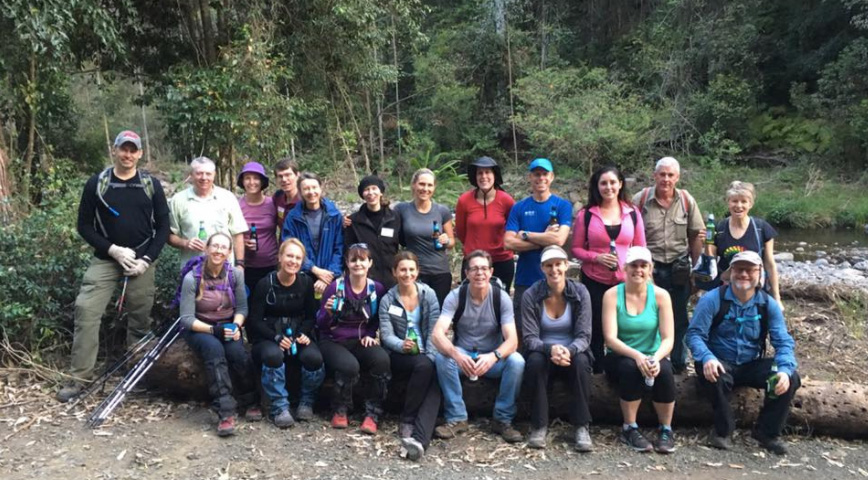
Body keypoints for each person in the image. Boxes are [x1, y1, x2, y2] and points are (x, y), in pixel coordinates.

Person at [57, 130, 170, 402]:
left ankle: (139, 374)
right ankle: (78, 378)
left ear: (140, 154)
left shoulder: (150, 184)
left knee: (140, 319)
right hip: (106, 258)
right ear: (115, 150)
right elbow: (83, 225)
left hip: (141, 260)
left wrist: (146, 260)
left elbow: (163, 227)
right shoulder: (97, 183)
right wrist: (113, 250)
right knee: (86, 311)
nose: (128, 155)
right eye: (123, 149)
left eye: (133, 150)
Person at [686, 251, 799, 455]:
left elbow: (783, 342)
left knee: (791, 376)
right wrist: (707, 357)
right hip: (719, 361)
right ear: (730, 273)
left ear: (759, 274)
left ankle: (767, 432)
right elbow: (694, 335)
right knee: (712, 375)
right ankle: (723, 431)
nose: (744, 274)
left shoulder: (768, 304)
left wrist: (784, 370)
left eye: (750, 270)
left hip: (750, 364)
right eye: (739, 269)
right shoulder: (712, 300)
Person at [431, 250, 525, 443]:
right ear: (466, 273)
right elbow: (437, 334)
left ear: (491, 272)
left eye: (483, 268)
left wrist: (494, 356)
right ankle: (456, 417)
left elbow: (513, 340)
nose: (479, 273)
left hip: (492, 356)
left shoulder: (501, 298)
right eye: (474, 269)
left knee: (517, 361)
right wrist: (456, 354)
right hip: (464, 355)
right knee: (442, 357)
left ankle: (502, 419)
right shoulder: (456, 296)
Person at [178, 233, 258, 436]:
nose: (218, 251)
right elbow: (186, 318)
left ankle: (251, 401)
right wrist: (213, 330)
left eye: (223, 247)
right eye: (215, 246)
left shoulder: (235, 275)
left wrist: (236, 326)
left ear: (229, 252)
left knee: (238, 355)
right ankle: (225, 411)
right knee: (214, 351)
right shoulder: (192, 277)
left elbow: (242, 308)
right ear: (206, 248)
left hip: (227, 325)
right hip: (199, 328)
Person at [632, 157, 704, 373]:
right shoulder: (640, 199)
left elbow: (696, 235)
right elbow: (631, 234)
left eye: (670, 175)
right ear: (654, 176)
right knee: (648, 316)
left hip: (679, 267)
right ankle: (651, 361)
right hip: (648, 268)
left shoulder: (686, 200)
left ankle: (679, 364)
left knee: (680, 317)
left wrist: (696, 270)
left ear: (677, 177)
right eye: (662, 174)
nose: (666, 179)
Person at [602, 246, 676, 454]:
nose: (638, 270)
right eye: (633, 265)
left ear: (650, 269)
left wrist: (655, 358)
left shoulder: (661, 296)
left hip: (652, 352)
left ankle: (666, 428)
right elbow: (610, 338)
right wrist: (637, 356)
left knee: (666, 370)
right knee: (630, 368)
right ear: (625, 268)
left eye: (643, 266)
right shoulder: (612, 295)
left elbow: (669, 338)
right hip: (620, 354)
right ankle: (630, 426)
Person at [571, 165, 646, 373]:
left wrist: (643, 276)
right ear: (597, 186)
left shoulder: (633, 213)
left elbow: (641, 248)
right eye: (603, 183)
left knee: (623, 324)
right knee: (594, 326)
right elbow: (576, 249)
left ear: (620, 184)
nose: (608, 187)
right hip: (594, 279)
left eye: (613, 182)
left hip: (625, 281)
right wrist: (596, 257)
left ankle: (623, 369)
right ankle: (595, 372)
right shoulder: (586, 214)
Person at [246, 239, 325, 428]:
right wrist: (276, 337)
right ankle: (279, 406)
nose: (293, 261)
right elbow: (254, 320)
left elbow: (311, 316)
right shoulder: (266, 284)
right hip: (268, 335)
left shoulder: (306, 282)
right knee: (274, 356)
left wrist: (303, 333)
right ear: (280, 258)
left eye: (298, 258)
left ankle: (306, 401)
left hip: (296, 333)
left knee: (314, 358)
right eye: (289, 256)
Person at [521, 246, 594, 451]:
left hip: (573, 351)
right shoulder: (531, 294)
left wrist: (568, 350)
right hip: (543, 351)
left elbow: (584, 335)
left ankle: (581, 426)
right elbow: (529, 337)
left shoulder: (580, 292)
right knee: (534, 362)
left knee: (581, 362)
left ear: (566, 265)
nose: (554, 270)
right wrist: (550, 349)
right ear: (542, 268)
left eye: (558, 264)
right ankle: (539, 425)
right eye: (549, 265)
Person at [316, 243, 389, 434]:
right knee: (349, 367)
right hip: (333, 340)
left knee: (381, 360)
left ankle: (372, 413)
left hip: (360, 339)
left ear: (370, 263)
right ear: (347, 263)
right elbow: (321, 324)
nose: (358, 264)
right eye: (353, 260)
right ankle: (340, 409)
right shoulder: (335, 288)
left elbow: (376, 319)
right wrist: (328, 313)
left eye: (362, 259)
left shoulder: (376, 289)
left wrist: (370, 335)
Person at [379, 251, 442, 461]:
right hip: (398, 355)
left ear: (417, 271)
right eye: (403, 270)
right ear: (394, 272)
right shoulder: (387, 299)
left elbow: (435, 331)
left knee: (435, 380)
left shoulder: (428, 295)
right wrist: (401, 345)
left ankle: (419, 440)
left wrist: (432, 358)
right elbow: (386, 336)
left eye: (411, 269)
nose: (407, 274)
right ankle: (407, 418)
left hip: (425, 354)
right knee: (425, 367)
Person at [504, 158, 572, 341]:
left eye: (544, 174)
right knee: (523, 332)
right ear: (530, 177)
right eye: (536, 174)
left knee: (555, 332)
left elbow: (559, 239)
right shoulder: (519, 208)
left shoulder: (562, 205)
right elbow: (508, 243)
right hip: (525, 280)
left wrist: (525, 234)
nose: (540, 178)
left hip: (555, 279)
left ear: (551, 177)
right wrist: (544, 239)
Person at [704, 181, 783, 309]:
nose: (739, 206)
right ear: (728, 202)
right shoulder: (719, 228)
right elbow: (710, 261)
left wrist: (776, 298)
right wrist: (706, 242)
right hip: (726, 288)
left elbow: (769, 264)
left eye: (744, 201)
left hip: (754, 288)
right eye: (734, 201)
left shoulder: (761, 228)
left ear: (750, 204)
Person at [168, 156, 248, 269]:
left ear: (214, 175)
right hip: (192, 269)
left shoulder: (227, 198)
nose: (204, 177)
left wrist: (240, 265)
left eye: (208, 174)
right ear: (191, 175)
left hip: (224, 270)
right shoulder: (178, 200)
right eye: (199, 173)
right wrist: (185, 243)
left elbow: (237, 233)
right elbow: (170, 235)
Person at [395, 168, 455, 306]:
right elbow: (384, 221)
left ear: (434, 187)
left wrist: (446, 240)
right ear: (414, 185)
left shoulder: (442, 211)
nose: (425, 189)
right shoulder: (402, 209)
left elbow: (452, 242)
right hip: (413, 273)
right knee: (414, 315)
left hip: (440, 273)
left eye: (429, 185)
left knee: (436, 316)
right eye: (422, 184)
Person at [281, 172, 344, 301]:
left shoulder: (334, 215)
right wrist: (313, 269)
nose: (311, 192)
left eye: (314, 187)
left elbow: (340, 248)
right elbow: (288, 248)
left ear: (321, 188)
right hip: (301, 277)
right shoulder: (293, 218)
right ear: (300, 192)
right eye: (306, 189)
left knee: (329, 315)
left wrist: (328, 276)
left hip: (330, 278)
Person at [455, 156, 516, 288]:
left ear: (495, 175)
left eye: (488, 172)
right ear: (475, 177)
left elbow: (513, 229)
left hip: (501, 261)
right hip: (472, 262)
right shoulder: (464, 200)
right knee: (470, 302)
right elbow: (461, 232)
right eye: (480, 173)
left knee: (499, 303)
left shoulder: (506, 200)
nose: (484, 176)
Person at [344, 174, 401, 289]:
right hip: (366, 281)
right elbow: (348, 251)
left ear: (381, 192)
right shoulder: (353, 221)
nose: (370, 193)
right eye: (366, 189)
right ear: (362, 195)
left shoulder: (394, 217)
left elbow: (405, 241)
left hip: (392, 279)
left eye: (374, 188)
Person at [237, 161, 279, 292]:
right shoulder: (236, 205)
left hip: (271, 264)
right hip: (244, 266)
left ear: (262, 182)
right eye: (247, 178)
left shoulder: (273, 203)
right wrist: (241, 243)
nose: (251, 182)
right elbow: (228, 234)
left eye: (256, 178)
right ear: (242, 181)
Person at [273, 157, 300, 228]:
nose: (284, 179)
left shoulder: (306, 199)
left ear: (297, 175)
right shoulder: (278, 197)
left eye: (288, 175)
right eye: (280, 176)